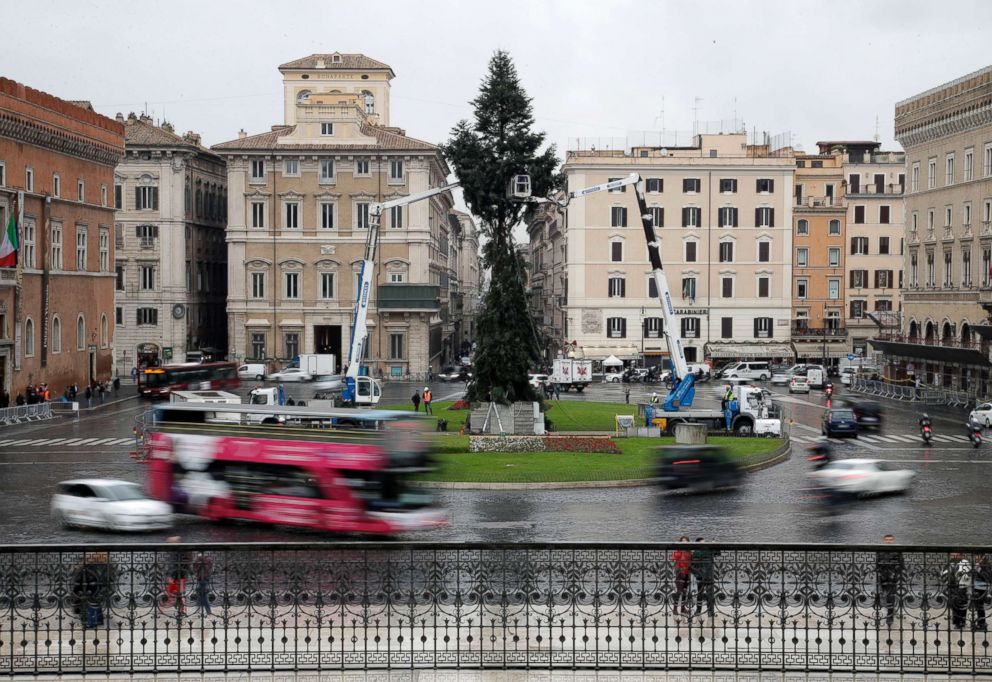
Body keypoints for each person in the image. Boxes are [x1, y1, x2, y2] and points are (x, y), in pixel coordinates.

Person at [876, 534, 904, 626]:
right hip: (883, 576)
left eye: (890, 540)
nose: (888, 541)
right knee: (884, 594)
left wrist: (895, 573)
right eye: (887, 540)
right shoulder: (880, 551)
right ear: (884, 540)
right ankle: (890, 610)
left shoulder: (897, 551)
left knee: (890, 595)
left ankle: (890, 615)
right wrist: (880, 572)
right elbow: (877, 564)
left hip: (892, 577)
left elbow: (901, 564)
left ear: (893, 540)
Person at [691, 538, 719, 617]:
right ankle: (708, 611)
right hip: (703, 576)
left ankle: (703, 610)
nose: (705, 543)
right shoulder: (703, 551)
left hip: (706, 575)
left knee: (706, 594)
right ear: (698, 544)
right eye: (703, 542)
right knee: (703, 594)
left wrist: (715, 545)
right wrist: (714, 545)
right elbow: (692, 565)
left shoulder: (705, 551)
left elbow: (717, 553)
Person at [944, 552, 971, 630]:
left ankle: (961, 622)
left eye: (955, 554)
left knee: (961, 605)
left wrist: (960, 577)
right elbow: (945, 572)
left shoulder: (965, 562)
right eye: (952, 554)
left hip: (962, 587)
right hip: (952, 586)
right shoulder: (951, 562)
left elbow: (967, 575)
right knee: (954, 605)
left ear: (961, 555)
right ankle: (956, 622)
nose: (953, 555)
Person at [163, 536, 189, 615]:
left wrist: (171, 576)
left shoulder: (177, 553)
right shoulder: (180, 551)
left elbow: (175, 566)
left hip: (179, 577)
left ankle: (183, 609)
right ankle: (182, 609)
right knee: (178, 593)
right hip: (180, 576)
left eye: (170, 543)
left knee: (179, 593)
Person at [672, 537, 693, 616]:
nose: (685, 543)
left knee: (685, 591)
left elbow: (692, 561)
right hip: (680, 573)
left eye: (686, 541)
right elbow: (674, 558)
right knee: (679, 591)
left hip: (687, 572)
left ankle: (683, 608)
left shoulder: (689, 552)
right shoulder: (678, 550)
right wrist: (680, 550)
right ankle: (675, 608)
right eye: (683, 541)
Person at [192, 551, 214, 616]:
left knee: (202, 595)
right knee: (202, 593)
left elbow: (195, 569)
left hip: (200, 578)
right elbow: (211, 569)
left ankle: (206, 610)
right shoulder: (209, 559)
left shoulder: (197, 560)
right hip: (206, 578)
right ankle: (200, 609)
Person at [973, 554, 990, 631]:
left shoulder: (986, 566)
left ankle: (982, 624)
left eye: (977, 556)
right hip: (977, 587)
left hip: (982, 588)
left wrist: (979, 568)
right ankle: (980, 623)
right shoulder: (979, 565)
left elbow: (987, 577)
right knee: (978, 607)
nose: (975, 558)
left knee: (980, 607)